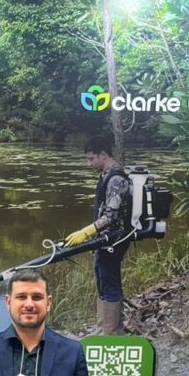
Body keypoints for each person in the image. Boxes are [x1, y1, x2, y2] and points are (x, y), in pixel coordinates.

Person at [64, 135, 133, 335]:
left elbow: (111, 215)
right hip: (103, 239)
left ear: (103, 155)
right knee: (102, 278)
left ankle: (112, 332)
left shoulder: (116, 179)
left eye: (91, 158)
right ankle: (102, 327)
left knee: (110, 280)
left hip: (115, 238)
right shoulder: (105, 175)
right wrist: (94, 238)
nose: (89, 164)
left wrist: (87, 232)